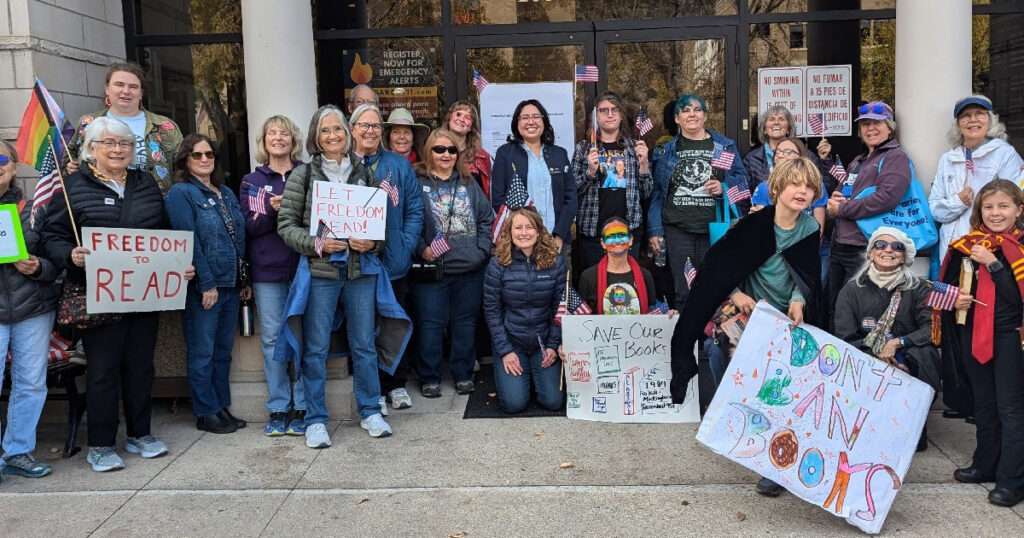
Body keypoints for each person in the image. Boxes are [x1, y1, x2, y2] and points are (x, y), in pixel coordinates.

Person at [43, 116, 193, 471]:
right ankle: (101, 443)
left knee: (140, 366)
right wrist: (69, 254)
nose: (117, 149)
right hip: (97, 293)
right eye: (108, 143)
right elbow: (51, 237)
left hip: (144, 294)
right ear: (91, 149)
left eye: (124, 144)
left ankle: (140, 434)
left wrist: (178, 264)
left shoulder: (146, 185)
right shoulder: (73, 187)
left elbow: (164, 233)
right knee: (103, 370)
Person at [669, 157, 823, 498]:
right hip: (750, 313)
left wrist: (799, 299)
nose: (803, 191)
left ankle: (775, 462)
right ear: (778, 188)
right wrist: (737, 293)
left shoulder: (810, 228)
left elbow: (808, 274)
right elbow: (717, 267)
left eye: (809, 187)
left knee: (783, 385)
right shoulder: (752, 225)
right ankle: (737, 413)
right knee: (719, 350)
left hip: (787, 316)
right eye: (796, 184)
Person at [278, 105, 391, 446]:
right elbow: (286, 226)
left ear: (348, 134)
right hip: (322, 272)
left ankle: (370, 411)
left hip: (359, 271)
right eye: (325, 130)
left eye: (338, 130)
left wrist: (371, 241)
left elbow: (380, 222)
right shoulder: (302, 175)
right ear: (315, 135)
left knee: (364, 344)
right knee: (315, 348)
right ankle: (315, 419)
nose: (332, 136)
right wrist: (316, 244)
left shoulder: (364, 172)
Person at [936, 179, 1024, 507]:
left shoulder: (1019, 247)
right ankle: (986, 464)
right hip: (972, 334)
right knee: (983, 404)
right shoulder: (966, 245)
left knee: (1011, 408)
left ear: (1019, 210)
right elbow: (944, 290)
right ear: (979, 211)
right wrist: (953, 300)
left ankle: (1013, 480)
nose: (995, 212)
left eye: (1003, 206)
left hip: (1011, 337)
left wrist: (994, 263)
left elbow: (1017, 299)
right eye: (988, 206)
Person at [166, 134, 249, 435]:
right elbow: (188, 244)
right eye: (197, 155)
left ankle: (221, 406)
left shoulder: (225, 192)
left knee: (223, 351)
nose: (204, 160)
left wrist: (243, 280)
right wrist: (207, 283)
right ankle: (206, 411)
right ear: (185, 160)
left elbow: (238, 239)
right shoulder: (181, 193)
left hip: (230, 284)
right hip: (204, 287)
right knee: (202, 352)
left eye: (209, 154)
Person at [834, 226, 939, 453]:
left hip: (907, 358)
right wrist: (878, 360)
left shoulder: (919, 288)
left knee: (926, 353)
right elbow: (845, 335)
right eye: (880, 245)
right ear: (871, 253)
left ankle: (915, 422)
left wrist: (899, 345)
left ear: (905, 255)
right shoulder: (852, 290)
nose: (888, 250)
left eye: (896, 247)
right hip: (867, 358)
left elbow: (932, 328)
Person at [349, 104, 425, 413]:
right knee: (364, 327)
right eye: (363, 126)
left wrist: (404, 245)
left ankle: (396, 384)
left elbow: (414, 210)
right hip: (356, 262)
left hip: (393, 262)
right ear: (352, 129)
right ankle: (373, 389)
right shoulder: (342, 165)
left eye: (375, 126)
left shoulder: (398, 165)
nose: (370, 131)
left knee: (395, 322)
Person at [411, 129, 495, 398]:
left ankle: (462, 374)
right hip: (433, 269)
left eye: (451, 150)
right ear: (429, 152)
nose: (445, 154)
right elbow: (406, 220)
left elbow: (485, 219)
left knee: (465, 323)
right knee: (430, 324)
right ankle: (430, 377)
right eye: (439, 149)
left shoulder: (469, 182)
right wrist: (421, 249)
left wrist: (481, 251)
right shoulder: (416, 180)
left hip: (469, 269)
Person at [648, 93, 750, 309]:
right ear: (677, 119)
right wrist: (655, 230)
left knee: (716, 287)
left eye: (697, 109)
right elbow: (658, 192)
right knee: (683, 291)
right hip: (678, 229)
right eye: (685, 110)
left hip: (715, 229)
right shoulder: (665, 151)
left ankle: (710, 342)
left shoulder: (724, 146)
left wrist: (722, 188)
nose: (691, 114)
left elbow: (743, 182)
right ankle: (688, 341)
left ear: (705, 116)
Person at [239, 115, 305, 437]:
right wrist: (271, 210)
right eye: (272, 133)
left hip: (304, 268)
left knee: (305, 337)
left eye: (284, 133)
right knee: (272, 340)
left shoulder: (306, 175)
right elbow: (250, 226)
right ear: (264, 141)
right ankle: (279, 406)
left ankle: (303, 403)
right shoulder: (252, 180)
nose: (278, 138)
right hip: (268, 272)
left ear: (293, 139)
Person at [0, 140, 60, 480]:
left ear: (15, 164)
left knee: (31, 384)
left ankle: (18, 452)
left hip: (32, 309)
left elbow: (57, 258)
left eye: (1, 157)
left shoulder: (35, 207)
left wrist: (39, 266)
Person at [826, 101, 911, 329]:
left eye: (877, 123)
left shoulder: (894, 157)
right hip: (841, 245)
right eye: (865, 124)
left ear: (890, 128)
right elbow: (846, 193)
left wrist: (842, 209)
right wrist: (836, 199)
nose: (870, 128)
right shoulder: (858, 160)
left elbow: (886, 198)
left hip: (864, 248)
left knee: (857, 315)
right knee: (835, 309)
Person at [482, 207, 566, 413]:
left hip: (543, 343)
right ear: (510, 232)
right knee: (514, 404)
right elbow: (492, 311)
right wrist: (506, 351)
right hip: (512, 343)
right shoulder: (497, 264)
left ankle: (535, 376)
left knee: (553, 402)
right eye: (518, 227)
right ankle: (519, 377)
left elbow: (560, 308)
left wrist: (553, 346)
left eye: (529, 227)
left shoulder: (555, 262)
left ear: (539, 231)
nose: (524, 233)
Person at [929, 94, 1024, 263]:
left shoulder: (1005, 154)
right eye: (965, 115)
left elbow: (1013, 206)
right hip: (951, 249)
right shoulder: (947, 159)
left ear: (990, 120)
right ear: (958, 124)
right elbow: (935, 209)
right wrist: (957, 202)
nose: (973, 120)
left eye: (980, 113)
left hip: (989, 248)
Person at [65, 62, 182, 193]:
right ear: (107, 89)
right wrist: (70, 167)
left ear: (141, 93)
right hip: (98, 204)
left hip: (153, 204)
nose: (126, 91)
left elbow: (184, 167)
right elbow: (68, 156)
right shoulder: (88, 123)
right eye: (119, 84)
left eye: (133, 86)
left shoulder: (165, 126)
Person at [572, 91, 653, 270]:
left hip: (627, 231)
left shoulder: (635, 147)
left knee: (625, 288)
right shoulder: (584, 149)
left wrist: (644, 164)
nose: (610, 114)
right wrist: (590, 172)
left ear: (621, 115)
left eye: (615, 110)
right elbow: (573, 191)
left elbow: (646, 193)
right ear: (595, 116)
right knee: (595, 287)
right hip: (594, 232)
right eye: (604, 110)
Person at [492, 99, 577, 256]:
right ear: (517, 123)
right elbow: (498, 200)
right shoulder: (505, 154)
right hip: (520, 244)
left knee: (559, 281)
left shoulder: (559, 154)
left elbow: (570, 199)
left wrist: (559, 237)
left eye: (536, 116)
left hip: (555, 242)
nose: (531, 121)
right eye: (524, 117)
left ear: (544, 120)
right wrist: (522, 237)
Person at [743, 105, 837, 196]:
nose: (776, 122)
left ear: (788, 129)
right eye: (771, 119)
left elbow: (827, 189)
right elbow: (746, 195)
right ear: (764, 130)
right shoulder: (751, 159)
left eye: (781, 119)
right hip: (763, 211)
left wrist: (824, 160)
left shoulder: (806, 155)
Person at [578, 218, 658, 315]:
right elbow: (581, 319)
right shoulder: (588, 277)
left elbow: (653, 314)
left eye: (621, 235)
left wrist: (669, 316)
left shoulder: (645, 275)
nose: (616, 240)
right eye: (611, 236)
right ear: (603, 243)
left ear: (631, 240)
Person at [750, 137, 827, 231]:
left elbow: (819, 232)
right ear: (775, 189)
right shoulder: (764, 187)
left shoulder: (817, 184)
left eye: (787, 151)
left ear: (801, 156)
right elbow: (763, 229)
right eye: (777, 152)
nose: (780, 155)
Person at [442, 100, 492, 199]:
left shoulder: (481, 157)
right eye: (458, 114)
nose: (461, 119)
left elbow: (487, 193)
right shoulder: (435, 151)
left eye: (467, 117)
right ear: (449, 119)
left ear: (471, 127)